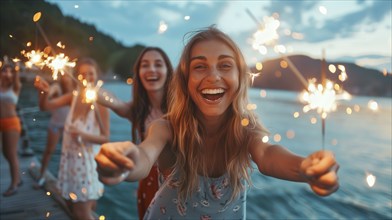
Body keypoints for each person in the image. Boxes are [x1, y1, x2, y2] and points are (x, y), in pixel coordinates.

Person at [95, 27, 339, 219]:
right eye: (200, 67)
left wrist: (305, 168)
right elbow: (144, 157)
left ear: (240, 78)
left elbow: (267, 155)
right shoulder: (166, 127)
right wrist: (125, 161)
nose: (213, 76)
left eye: (225, 65)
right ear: (184, 81)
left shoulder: (246, 128)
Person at [96, 47, 173, 219]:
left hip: (178, 184)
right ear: (138, 73)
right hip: (146, 178)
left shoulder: (181, 110)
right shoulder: (138, 110)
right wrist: (100, 94)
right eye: (145, 65)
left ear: (168, 71)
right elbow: (116, 103)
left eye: (158, 64)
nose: (151, 69)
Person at [34, 58, 110, 220]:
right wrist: (44, 93)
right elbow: (45, 107)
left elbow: (105, 138)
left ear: (97, 76)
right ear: (76, 77)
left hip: (87, 169)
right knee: (72, 206)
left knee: (80, 214)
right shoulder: (72, 97)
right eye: (82, 74)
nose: (87, 77)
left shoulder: (101, 102)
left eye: (91, 73)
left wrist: (82, 135)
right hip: (69, 165)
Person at [34, 74, 74, 188]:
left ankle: (66, 181)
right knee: (49, 151)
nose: (67, 78)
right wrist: (44, 92)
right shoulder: (57, 87)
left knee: (70, 154)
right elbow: (47, 97)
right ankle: (41, 177)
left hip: (70, 127)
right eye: (65, 75)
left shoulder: (77, 90)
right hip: (56, 124)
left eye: (69, 74)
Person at [0, 62, 23, 197]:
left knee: (11, 153)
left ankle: (14, 185)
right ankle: (18, 177)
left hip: (11, 123)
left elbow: (16, 76)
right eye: (4, 71)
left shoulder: (15, 86)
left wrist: (15, 68)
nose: (7, 74)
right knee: (5, 153)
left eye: (10, 71)